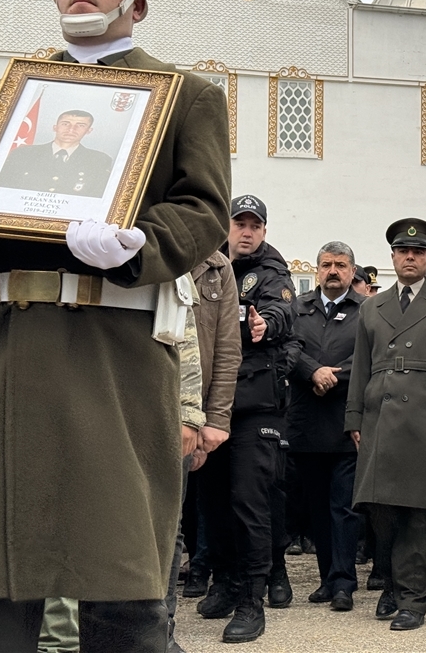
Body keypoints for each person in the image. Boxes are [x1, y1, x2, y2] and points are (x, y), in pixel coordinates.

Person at [0, 0, 230, 652]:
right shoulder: (3, 97)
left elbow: (204, 207)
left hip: (113, 348)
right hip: (3, 345)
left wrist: (140, 246)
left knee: (118, 574)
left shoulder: (186, 94)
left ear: (135, 0)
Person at [345, 218, 426, 631]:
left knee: (419, 512)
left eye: (418, 252)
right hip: (380, 417)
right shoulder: (370, 307)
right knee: (381, 509)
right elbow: (360, 366)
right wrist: (353, 419)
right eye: (403, 251)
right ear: (394, 257)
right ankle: (395, 587)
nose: (410, 257)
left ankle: (413, 599)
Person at [198, 194, 298, 643]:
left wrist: (264, 325)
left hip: (255, 404)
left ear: (263, 231)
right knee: (213, 501)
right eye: (239, 223)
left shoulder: (273, 271)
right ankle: (226, 580)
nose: (246, 231)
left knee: (249, 502)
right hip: (210, 402)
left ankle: (251, 600)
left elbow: (280, 312)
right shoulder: (210, 265)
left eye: (254, 225)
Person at [289, 241, 363, 611]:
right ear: (317, 270)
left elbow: (369, 355)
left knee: (343, 507)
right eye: (326, 264)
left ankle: (344, 582)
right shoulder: (297, 308)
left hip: (346, 420)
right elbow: (287, 347)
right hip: (306, 420)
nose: (333, 271)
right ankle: (325, 578)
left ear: (352, 270)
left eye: (341, 265)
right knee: (316, 506)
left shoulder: (367, 311)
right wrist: (310, 371)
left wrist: (334, 375)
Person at [181, 250, 242, 600]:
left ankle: (163, 624)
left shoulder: (218, 269)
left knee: (171, 523)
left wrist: (214, 418)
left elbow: (226, 347)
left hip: (187, 410)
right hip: (135, 400)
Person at [0, 109, 113, 197]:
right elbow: (2, 191)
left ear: (89, 131)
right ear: (55, 127)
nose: (71, 129)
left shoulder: (99, 161)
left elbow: (96, 197)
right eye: (65, 124)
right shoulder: (23, 154)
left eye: (80, 125)